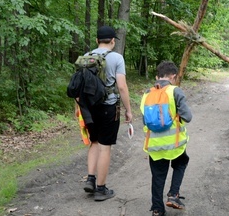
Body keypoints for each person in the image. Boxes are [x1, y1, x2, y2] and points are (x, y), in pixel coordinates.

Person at [82, 25, 133, 201]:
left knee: (94, 142)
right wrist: (128, 110)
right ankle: (101, 189)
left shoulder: (87, 57)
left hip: (88, 108)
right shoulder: (117, 58)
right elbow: (122, 86)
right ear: (112, 41)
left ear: (97, 40)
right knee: (105, 146)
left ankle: (91, 179)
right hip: (108, 107)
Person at [140, 61, 193, 216]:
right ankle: (173, 195)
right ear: (173, 76)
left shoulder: (146, 93)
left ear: (158, 76)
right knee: (181, 163)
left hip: (154, 145)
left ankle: (157, 209)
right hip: (175, 144)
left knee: (157, 176)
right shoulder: (175, 91)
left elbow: (145, 120)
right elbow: (188, 117)